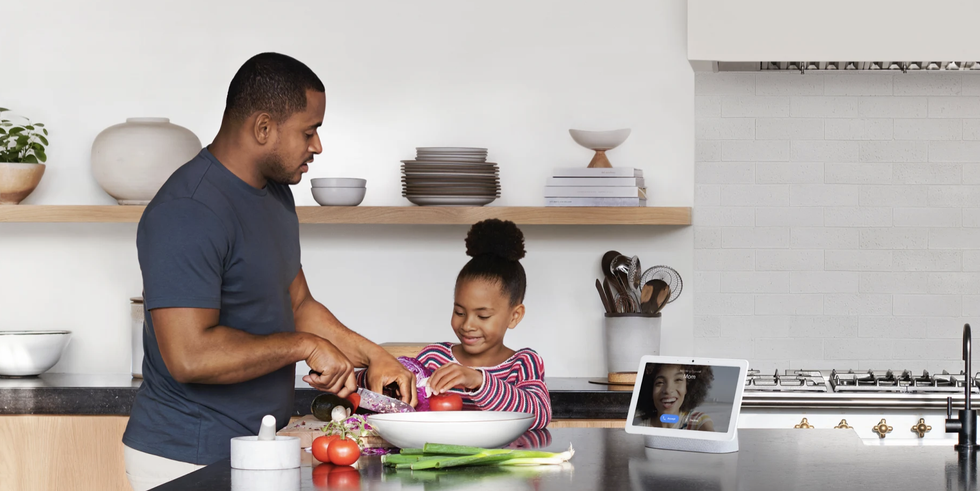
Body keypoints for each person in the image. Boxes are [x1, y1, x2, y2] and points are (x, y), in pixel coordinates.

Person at [121, 52, 416, 490]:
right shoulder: (188, 212)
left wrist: (375, 356)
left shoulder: (274, 195)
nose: (317, 146)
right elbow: (189, 356)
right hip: (185, 457)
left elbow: (297, 303)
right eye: (309, 131)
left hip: (255, 447)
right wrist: (305, 347)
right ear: (263, 128)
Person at [411, 219, 552, 429]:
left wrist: (479, 381)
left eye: (483, 316)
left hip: (501, 460)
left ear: (514, 316)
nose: (468, 325)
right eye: (459, 312)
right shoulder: (433, 358)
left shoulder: (522, 364)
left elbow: (538, 415)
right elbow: (403, 407)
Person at [632, 364, 715, 431]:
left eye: (678, 380)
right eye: (660, 382)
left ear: (688, 387)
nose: (668, 390)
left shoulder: (697, 421)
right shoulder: (637, 424)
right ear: (650, 389)